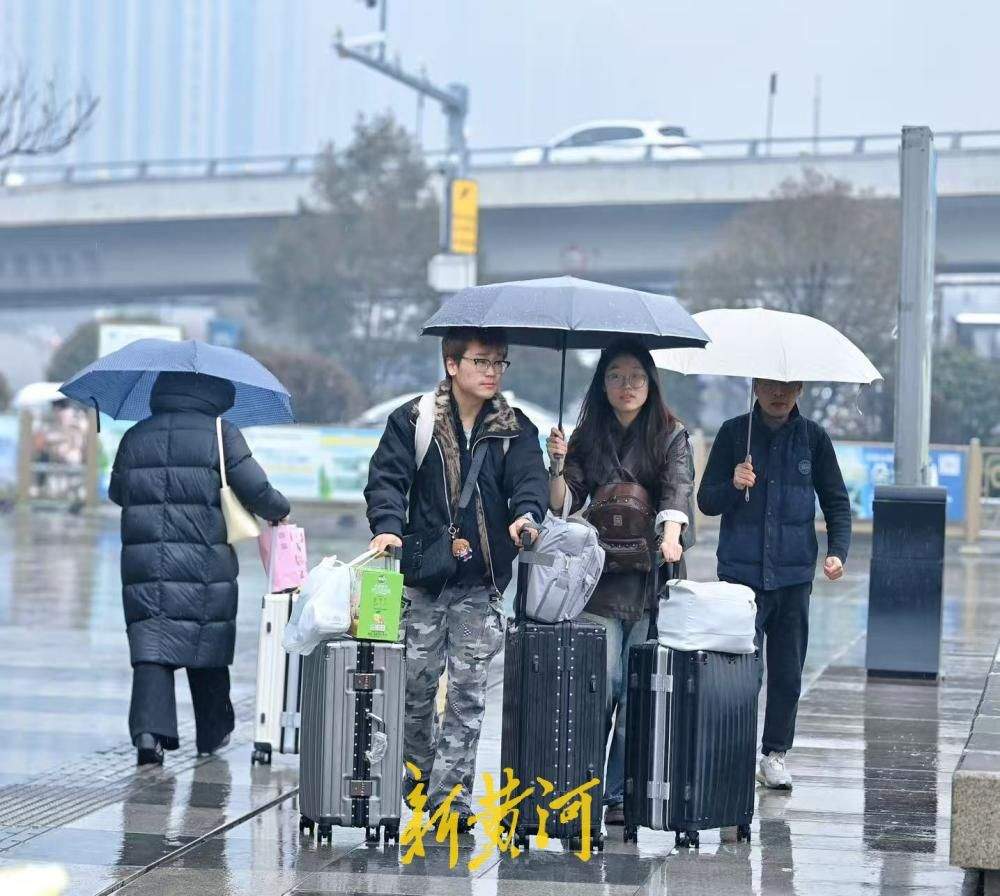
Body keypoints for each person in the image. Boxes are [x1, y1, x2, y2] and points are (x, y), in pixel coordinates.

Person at [364, 327, 548, 828]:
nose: (491, 372)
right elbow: (387, 480)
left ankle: (452, 801)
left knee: (467, 694)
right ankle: (420, 778)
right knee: (415, 692)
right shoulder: (414, 420)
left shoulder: (516, 429)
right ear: (452, 364)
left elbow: (530, 480)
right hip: (424, 579)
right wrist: (386, 528)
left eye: (499, 363)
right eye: (481, 361)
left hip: (481, 582)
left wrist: (526, 516)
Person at [546, 339, 693, 826]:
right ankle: (583, 787)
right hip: (600, 582)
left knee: (637, 694)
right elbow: (562, 504)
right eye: (615, 375)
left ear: (651, 382)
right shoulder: (587, 435)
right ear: (601, 382)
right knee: (598, 687)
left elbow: (678, 488)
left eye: (635, 375)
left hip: (651, 581)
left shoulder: (671, 435)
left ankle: (615, 795)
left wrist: (671, 534)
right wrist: (558, 462)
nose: (626, 385)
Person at [109, 372, 290, 766]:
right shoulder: (221, 434)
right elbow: (255, 489)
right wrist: (280, 510)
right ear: (212, 392)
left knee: (152, 649)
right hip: (205, 563)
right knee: (206, 642)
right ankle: (213, 731)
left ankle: (148, 735)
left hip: (143, 565)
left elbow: (117, 492)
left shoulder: (136, 435)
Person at [697, 379, 851, 790]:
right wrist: (733, 483)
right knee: (742, 671)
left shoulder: (814, 439)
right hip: (740, 576)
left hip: (793, 575)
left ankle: (775, 755)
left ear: (799, 388)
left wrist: (838, 550)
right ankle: (735, 750)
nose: (778, 394)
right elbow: (705, 501)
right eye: (768, 385)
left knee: (787, 672)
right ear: (755, 387)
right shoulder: (734, 433)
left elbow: (835, 500)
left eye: (787, 386)